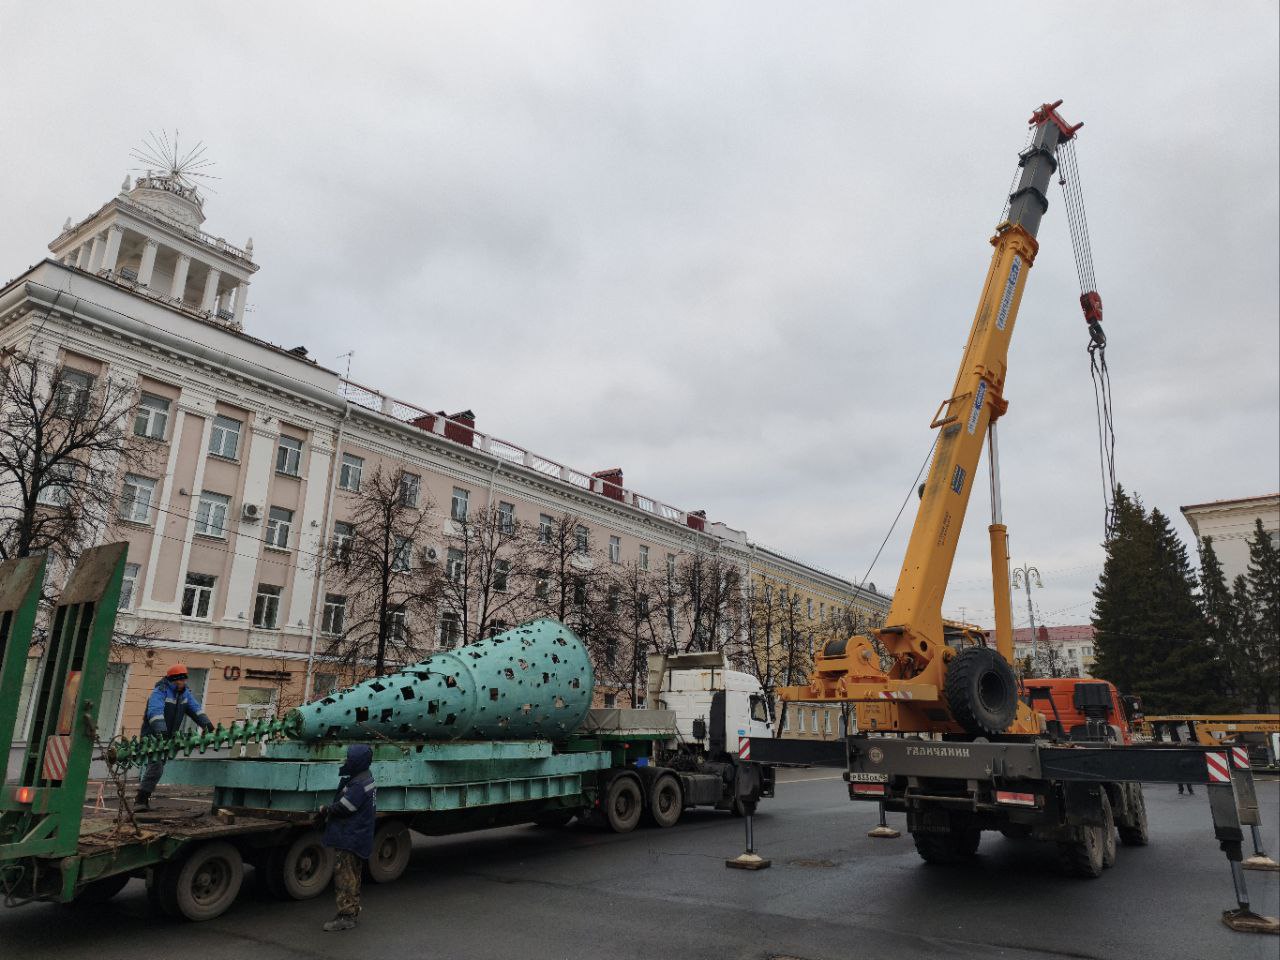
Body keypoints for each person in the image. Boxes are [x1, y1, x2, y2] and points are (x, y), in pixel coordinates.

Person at [135, 663, 214, 810]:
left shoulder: (184, 693)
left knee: (158, 766)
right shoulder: (160, 691)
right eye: (181, 680)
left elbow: (195, 708)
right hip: (153, 737)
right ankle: (140, 801)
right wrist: (160, 730)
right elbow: (154, 711)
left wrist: (206, 724)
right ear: (173, 680)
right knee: (156, 766)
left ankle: (143, 800)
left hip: (168, 738)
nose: (183, 682)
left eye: (185, 680)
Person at [320, 743, 377, 933]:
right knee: (353, 875)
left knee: (345, 877)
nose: (346, 762)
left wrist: (327, 809)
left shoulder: (358, 785)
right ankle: (352, 909)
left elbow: (346, 807)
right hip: (357, 835)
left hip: (351, 837)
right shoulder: (364, 778)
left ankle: (346, 916)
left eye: (349, 759)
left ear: (357, 761)